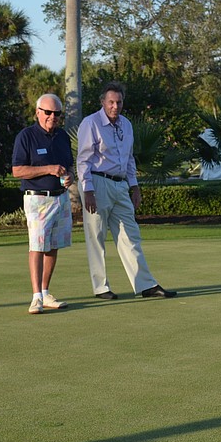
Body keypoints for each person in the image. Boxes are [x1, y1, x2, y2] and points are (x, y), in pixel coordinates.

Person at [76, 81, 176, 300]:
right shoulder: (90, 123)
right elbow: (83, 160)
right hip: (97, 182)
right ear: (103, 102)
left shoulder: (126, 124)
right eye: (111, 102)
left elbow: (129, 159)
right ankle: (101, 287)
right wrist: (88, 190)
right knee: (97, 236)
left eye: (119, 102)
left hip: (121, 185)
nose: (115, 106)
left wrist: (134, 186)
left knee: (131, 235)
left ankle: (145, 285)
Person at [11, 94, 73, 314]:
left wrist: (70, 177)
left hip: (60, 197)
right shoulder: (26, 136)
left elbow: (69, 167)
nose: (52, 117)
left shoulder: (63, 137)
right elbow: (17, 170)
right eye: (48, 112)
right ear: (38, 112)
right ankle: (36, 296)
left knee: (53, 245)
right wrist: (48, 169)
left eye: (57, 114)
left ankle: (46, 292)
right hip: (37, 198)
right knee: (37, 246)